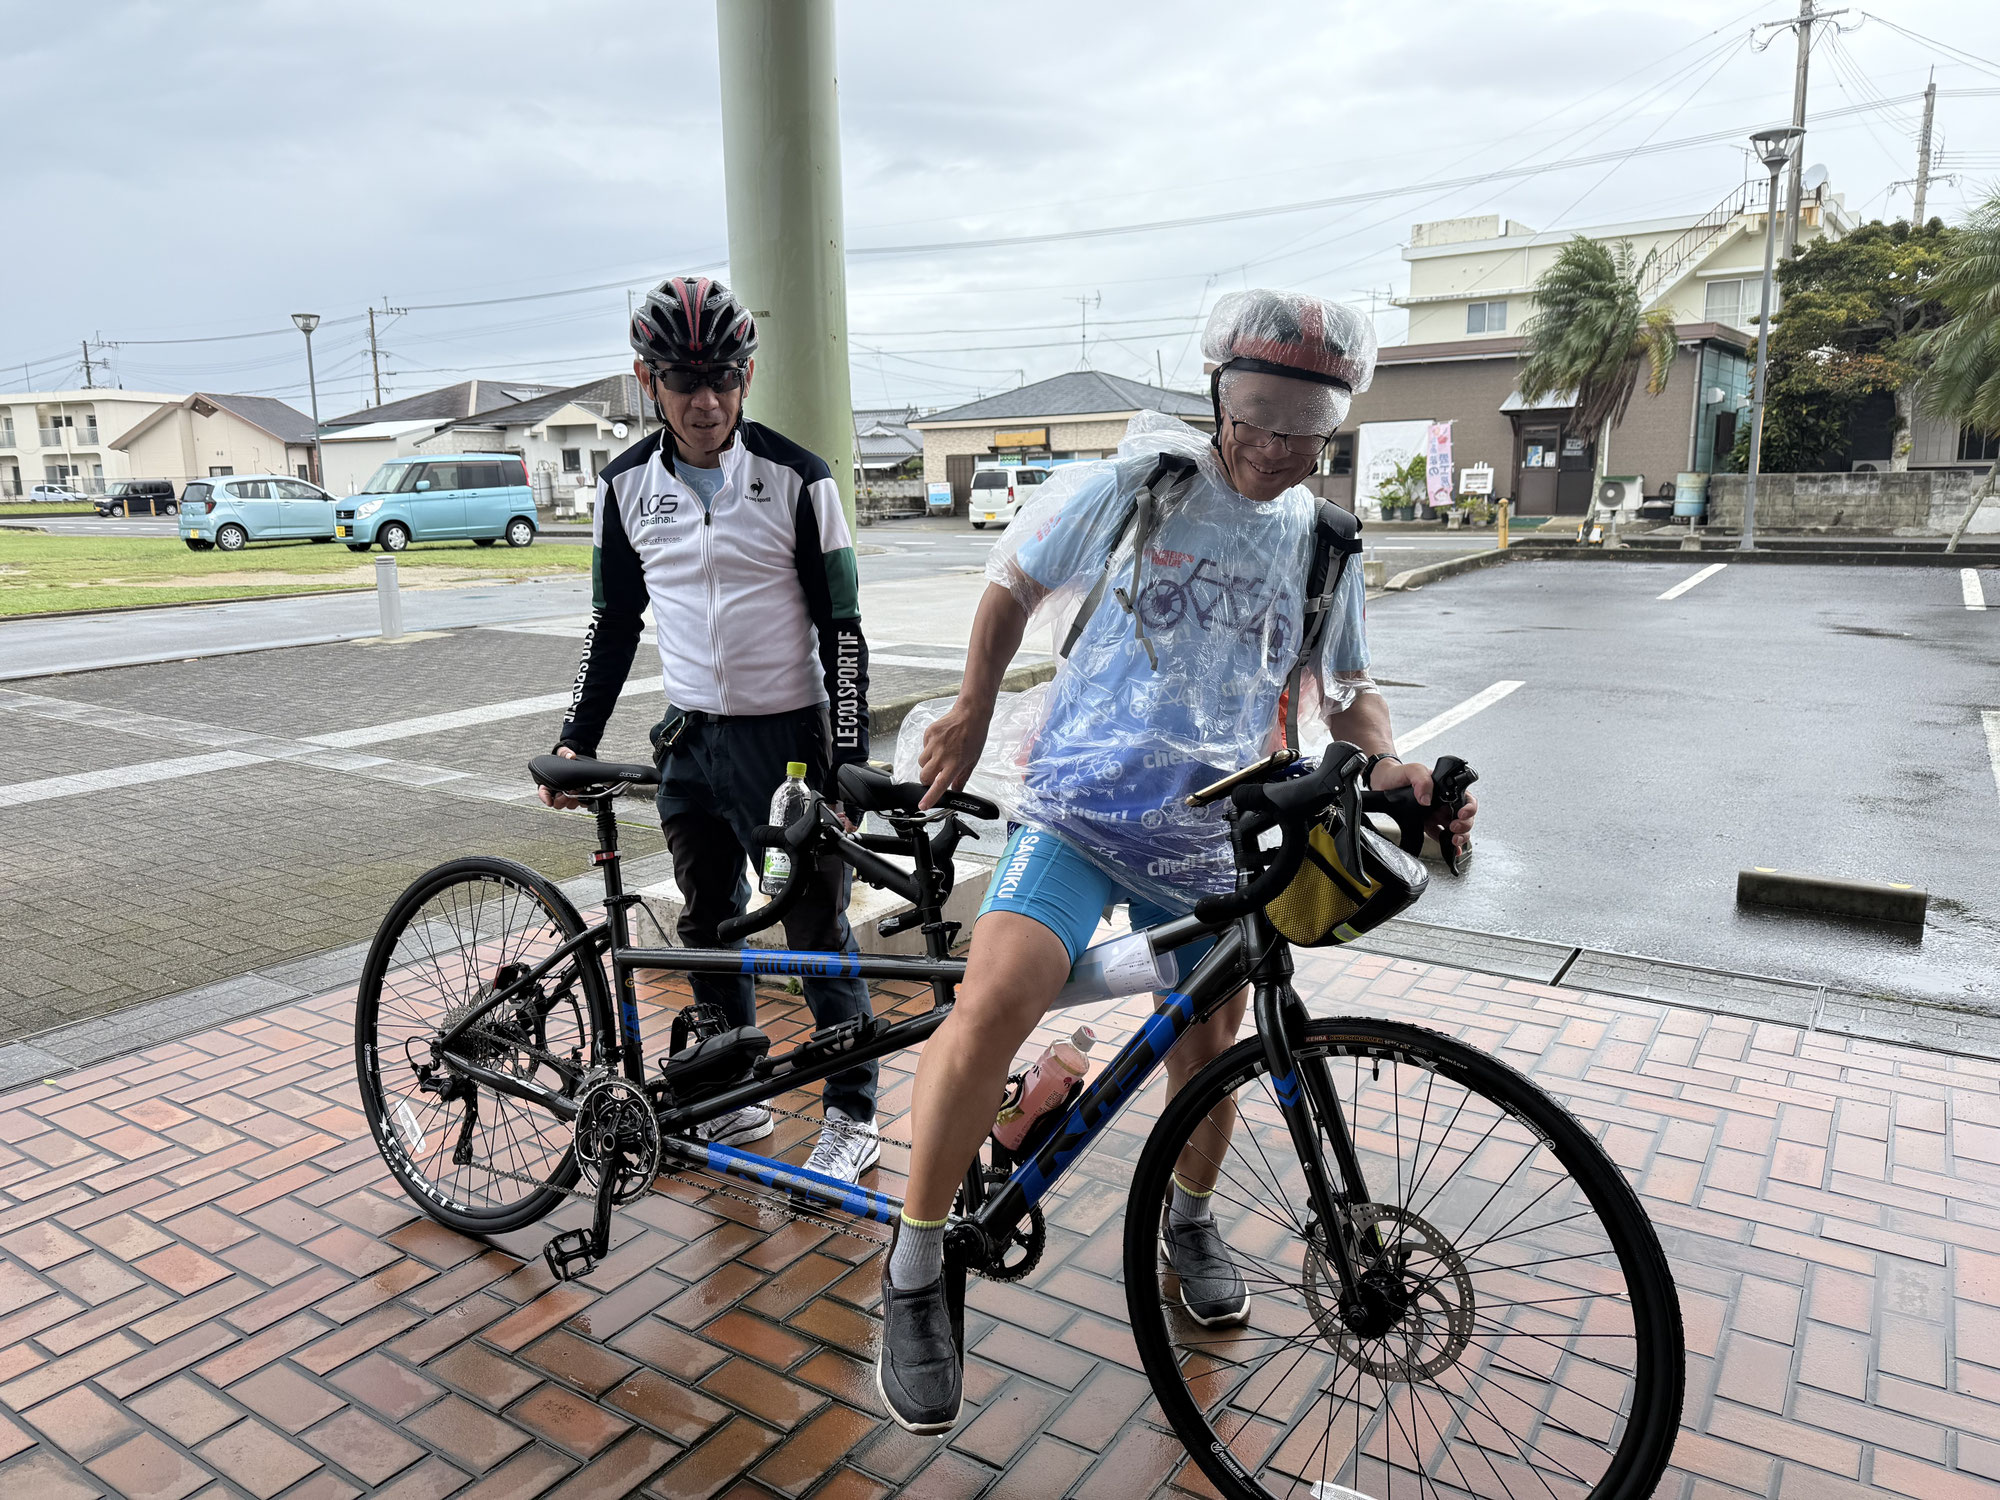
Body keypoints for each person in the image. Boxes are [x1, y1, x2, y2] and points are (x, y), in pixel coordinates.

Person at [874, 290, 1479, 1432]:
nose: (1273, 448)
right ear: (1217, 399)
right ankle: (914, 1269)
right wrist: (966, 708)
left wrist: (1394, 767)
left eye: (1303, 428)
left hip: (1214, 835)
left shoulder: (1323, 540)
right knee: (997, 996)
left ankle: (1186, 1220)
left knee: (1212, 1051)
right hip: (1080, 807)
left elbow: (1344, 694)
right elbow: (1011, 582)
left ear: (1332, 425)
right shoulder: (1142, 485)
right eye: (1255, 416)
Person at [541, 274, 881, 1184]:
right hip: (689, 740)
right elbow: (614, 625)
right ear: (646, 380)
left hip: (790, 745)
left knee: (816, 935)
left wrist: (845, 764)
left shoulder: (801, 480)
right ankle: (738, 1087)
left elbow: (842, 633)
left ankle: (852, 1113)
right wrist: (577, 737)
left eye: (722, 379)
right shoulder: (623, 488)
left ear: (748, 375)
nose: (704, 401)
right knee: (708, 924)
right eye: (682, 379)